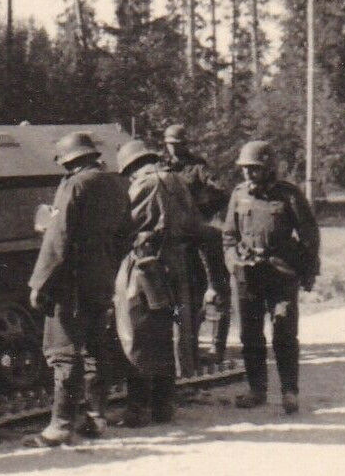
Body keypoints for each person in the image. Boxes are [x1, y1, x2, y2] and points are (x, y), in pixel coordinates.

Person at [25, 132, 131, 446]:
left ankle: (60, 426)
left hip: (71, 282)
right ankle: (97, 417)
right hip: (102, 277)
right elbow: (126, 233)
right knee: (96, 349)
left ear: (68, 160)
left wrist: (40, 283)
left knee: (64, 352)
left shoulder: (74, 185)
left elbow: (57, 239)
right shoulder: (116, 184)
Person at [112, 140, 226, 426]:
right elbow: (196, 225)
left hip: (144, 270)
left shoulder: (143, 185)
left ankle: (137, 410)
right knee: (167, 336)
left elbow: (123, 228)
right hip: (177, 269)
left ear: (132, 167)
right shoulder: (176, 181)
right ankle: (163, 407)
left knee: (137, 336)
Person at [223, 141, 320, 414]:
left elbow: (309, 235)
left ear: (268, 168)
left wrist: (308, 271)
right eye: (245, 168)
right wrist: (233, 263)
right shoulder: (239, 195)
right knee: (250, 335)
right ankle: (257, 390)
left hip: (281, 273)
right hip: (249, 275)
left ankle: (289, 391)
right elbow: (229, 237)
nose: (248, 173)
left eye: (254, 168)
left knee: (284, 332)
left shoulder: (288, 195)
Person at [163, 123, 232, 367]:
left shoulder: (197, 167)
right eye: (171, 144)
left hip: (197, 233)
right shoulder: (162, 167)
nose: (175, 148)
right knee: (179, 293)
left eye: (179, 144)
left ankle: (216, 347)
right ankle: (184, 349)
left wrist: (203, 211)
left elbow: (221, 191)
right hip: (174, 235)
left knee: (214, 287)